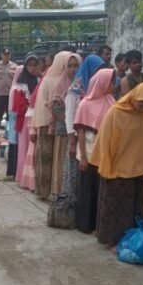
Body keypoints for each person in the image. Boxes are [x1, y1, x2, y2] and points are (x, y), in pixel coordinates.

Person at [89, 82, 143, 252]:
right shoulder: (116, 112)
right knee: (115, 204)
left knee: (132, 205)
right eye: (142, 104)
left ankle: (132, 237)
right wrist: (106, 165)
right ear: (134, 96)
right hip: (117, 167)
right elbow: (105, 140)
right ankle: (113, 240)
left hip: (136, 167)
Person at [32, 51, 81, 200]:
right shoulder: (51, 80)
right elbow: (48, 104)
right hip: (50, 124)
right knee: (49, 159)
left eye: (76, 65)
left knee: (59, 159)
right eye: (68, 64)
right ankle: (46, 191)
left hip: (64, 126)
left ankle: (60, 191)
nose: (72, 68)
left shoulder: (76, 81)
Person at [74, 69, 116, 233]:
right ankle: (85, 224)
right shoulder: (86, 103)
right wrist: (83, 157)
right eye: (111, 82)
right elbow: (81, 132)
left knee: (101, 190)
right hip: (89, 152)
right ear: (102, 83)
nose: (113, 85)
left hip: (104, 153)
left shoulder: (111, 101)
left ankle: (100, 224)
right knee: (86, 190)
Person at [63, 54, 105, 201]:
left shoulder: (98, 88)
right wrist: (72, 142)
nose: (98, 73)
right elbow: (69, 116)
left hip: (91, 138)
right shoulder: (75, 89)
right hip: (76, 136)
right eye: (96, 70)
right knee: (76, 172)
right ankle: (72, 204)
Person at [9, 54, 40, 182]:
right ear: (26, 67)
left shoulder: (39, 81)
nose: (32, 68)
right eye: (30, 65)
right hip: (24, 119)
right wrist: (30, 104)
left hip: (37, 117)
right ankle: (22, 176)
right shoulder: (20, 84)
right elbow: (17, 105)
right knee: (24, 147)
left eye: (35, 65)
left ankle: (33, 179)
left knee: (34, 149)